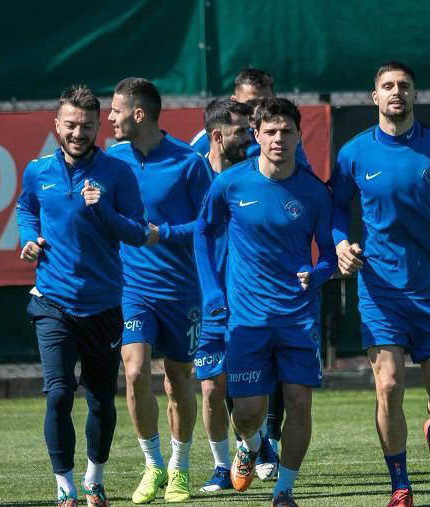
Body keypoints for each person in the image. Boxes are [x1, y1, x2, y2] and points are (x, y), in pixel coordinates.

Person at [330, 61, 430, 507]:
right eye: (388, 86)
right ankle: (400, 485)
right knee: (389, 385)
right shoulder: (353, 153)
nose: (397, 92)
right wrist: (341, 243)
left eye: (405, 86)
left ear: (416, 94)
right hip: (380, 291)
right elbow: (335, 209)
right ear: (375, 96)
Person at [195, 97, 336, 507]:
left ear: (299, 136)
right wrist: (212, 291)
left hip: (298, 318)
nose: (278, 139)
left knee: (299, 403)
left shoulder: (315, 192)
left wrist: (318, 274)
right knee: (247, 414)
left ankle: (284, 490)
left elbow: (328, 254)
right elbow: (202, 232)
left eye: (286, 131)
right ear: (256, 135)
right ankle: (251, 444)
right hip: (247, 319)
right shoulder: (230, 184)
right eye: (270, 131)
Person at [17, 84, 153, 507]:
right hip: (52, 302)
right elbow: (26, 209)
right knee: (59, 393)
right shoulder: (37, 171)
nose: (78, 133)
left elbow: (138, 232)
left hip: (104, 305)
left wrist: (103, 210)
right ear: (57, 125)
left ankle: (95, 478)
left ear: (98, 128)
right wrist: (28, 239)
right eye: (71, 125)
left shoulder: (117, 173)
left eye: (87, 126)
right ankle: (65, 485)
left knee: (100, 401)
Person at [106, 77, 211, 504]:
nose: (109, 118)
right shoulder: (111, 161)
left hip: (183, 291)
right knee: (134, 372)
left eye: (115, 110)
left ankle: (179, 467)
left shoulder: (189, 163)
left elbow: (208, 225)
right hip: (132, 289)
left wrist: (161, 233)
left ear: (139, 113)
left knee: (177, 380)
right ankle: (152, 465)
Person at [193, 98, 253, 492]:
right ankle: (220, 466)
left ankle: (255, 444)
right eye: (241, 132)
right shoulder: (193, 172)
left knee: (250, 385)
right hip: (206, 299)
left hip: (251, 297)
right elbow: (191, 229)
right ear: (217, 136)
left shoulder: (257, 171)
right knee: (212, 387)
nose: (249, 138)